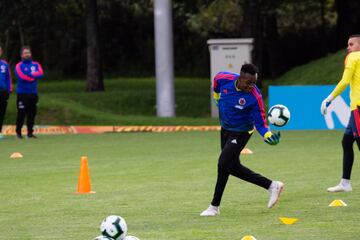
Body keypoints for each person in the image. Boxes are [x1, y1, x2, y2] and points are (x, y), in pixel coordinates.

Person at [200, 63, 283, 217]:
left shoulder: (255, 97)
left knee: (223, 164)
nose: (251, 86)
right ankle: (272, 185)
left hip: (241, 132)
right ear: (240, 77)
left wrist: (268, 135)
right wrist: (217, 97)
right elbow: (216, 83)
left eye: (254, 83)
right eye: (248, 82)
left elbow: (261, 122)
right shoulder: (224, 78)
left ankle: (214, 206)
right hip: (225, 128)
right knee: (232, 167)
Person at [321, 34, 360, 192]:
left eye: (351, 44)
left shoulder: (353, 57)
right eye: (348, 44)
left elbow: (344, 81)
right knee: (346, 142)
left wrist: (328, 99)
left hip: (358, 107)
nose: (348, 47)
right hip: (355, 109)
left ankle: (345, 183)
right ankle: (345, 183)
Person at [14, 46, 43, 139]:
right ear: (22, 55)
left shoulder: (36, 64)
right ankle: (18, 132)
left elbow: (41, 74)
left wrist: (30, 75)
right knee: (21, 113)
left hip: (33, 93)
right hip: (22, 93)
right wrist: (33, 77)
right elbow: (21, 76)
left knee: (32, 113)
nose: (27, 54)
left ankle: (30, 133)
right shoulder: (19, 65)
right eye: (25, 53)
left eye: (28, 53)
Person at [0, 46, 12, 139]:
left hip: (3, 92)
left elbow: (8, 78)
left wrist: (9, 90)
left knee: (1, 112)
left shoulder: (4, 64)